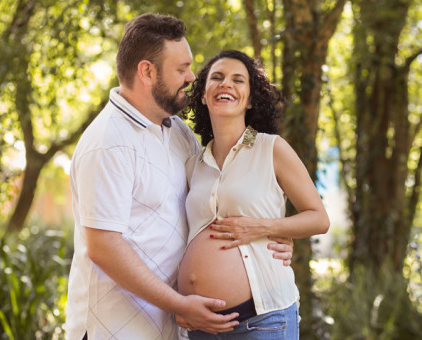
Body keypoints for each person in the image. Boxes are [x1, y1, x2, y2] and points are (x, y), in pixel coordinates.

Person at [66, 14, 293, 339]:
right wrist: (178, 304)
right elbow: (103, 246)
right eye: (181, 68)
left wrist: (271, 236)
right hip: (114, 328)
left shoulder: (178, 133)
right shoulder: (108, 141)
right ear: (147, 71)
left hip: (167, 327)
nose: (191, 77)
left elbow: (215, 201)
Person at [177, 50, 330, 339]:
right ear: (202, 94)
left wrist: (265, 227)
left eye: (238, 80)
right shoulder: (195, 162)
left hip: (261, 320)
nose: (226, 84)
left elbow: (319, 219)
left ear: (249, 99)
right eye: (217, 78)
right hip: (200, 325)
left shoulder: (269, 148)